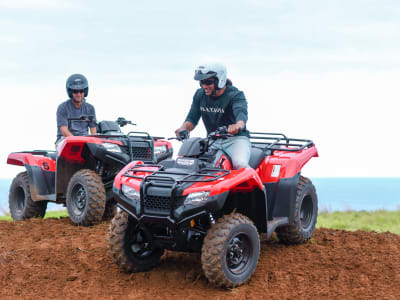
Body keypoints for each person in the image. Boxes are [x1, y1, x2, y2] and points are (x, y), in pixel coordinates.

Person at [175, 63, 251, 169]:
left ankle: (260, 186)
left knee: (240, 164)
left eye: (208, 82)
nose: (204, 86)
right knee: (190, 163)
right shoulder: (199, 94)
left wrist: (238, 125)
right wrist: (183, 129)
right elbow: (192, 119)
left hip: (235, 139)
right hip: (212, 141)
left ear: (220, 80)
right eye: (202, 82)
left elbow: (241, 114)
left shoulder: (235, 95)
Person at [56, 74, 97, 146]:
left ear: (85, 92)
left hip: (85, 140)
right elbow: (64, 130)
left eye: (81, 91)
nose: (79, 94)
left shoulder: (90, 108)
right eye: (75, 91)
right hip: (66, 140)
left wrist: (93, 143)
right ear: (70, 92)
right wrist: (76, 142)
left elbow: (93, 130)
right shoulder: (63, 107)